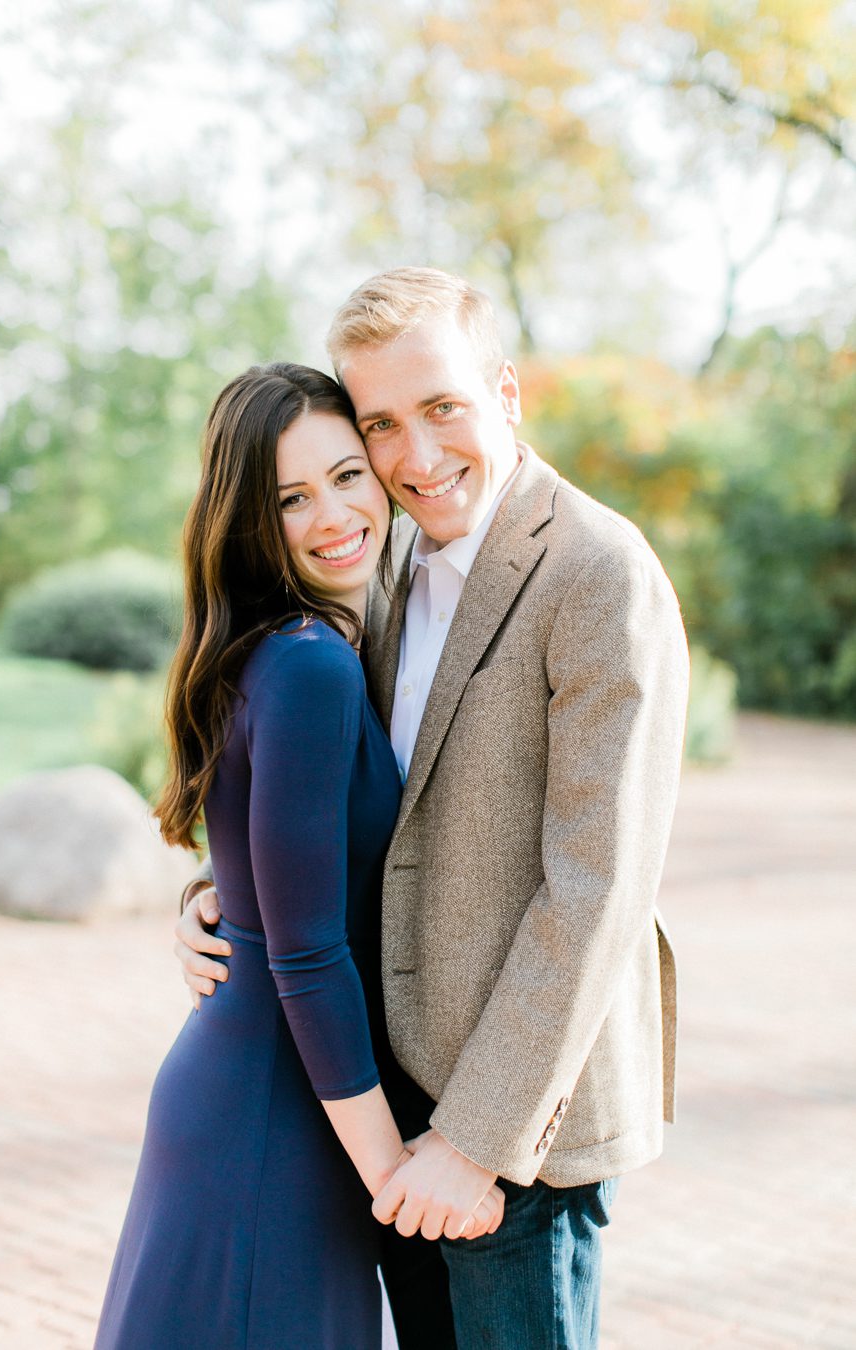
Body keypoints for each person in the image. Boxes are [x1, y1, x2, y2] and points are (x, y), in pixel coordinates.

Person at [176, 269, 690, 1350]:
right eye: (382, 426)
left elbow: (596, 886)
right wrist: (226, 896)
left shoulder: (599, 572)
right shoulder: (392, 558)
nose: (415, 457)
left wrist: (476, 1142)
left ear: (505, 392)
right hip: (396, 1114)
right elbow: (364, 804)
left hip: (515, 1138)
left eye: (442, 408)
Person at [95, 363, 505, 1350]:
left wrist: (215, 904)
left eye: (348, 475)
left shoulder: (290, 648)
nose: (334, 515)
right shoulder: (313, 664)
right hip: (274, 1132)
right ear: (249, 519)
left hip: (259, 1102)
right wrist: (394, 1182)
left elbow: (267, 869)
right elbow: (308, 951)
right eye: (291, 497)